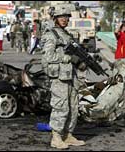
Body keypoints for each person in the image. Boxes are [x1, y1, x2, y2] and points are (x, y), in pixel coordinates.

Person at [41, 5, 86, 149]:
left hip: (70, 75)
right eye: (61, 17)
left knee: (73, 106)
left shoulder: (66, 34)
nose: (65, 19)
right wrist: (67, 58)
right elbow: (48, 57)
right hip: (59, 77)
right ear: (55, 18)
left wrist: (80, 61)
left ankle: (68, 135)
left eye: (67, 16)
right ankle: (56, 137)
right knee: (61, 106)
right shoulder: (51, 35)